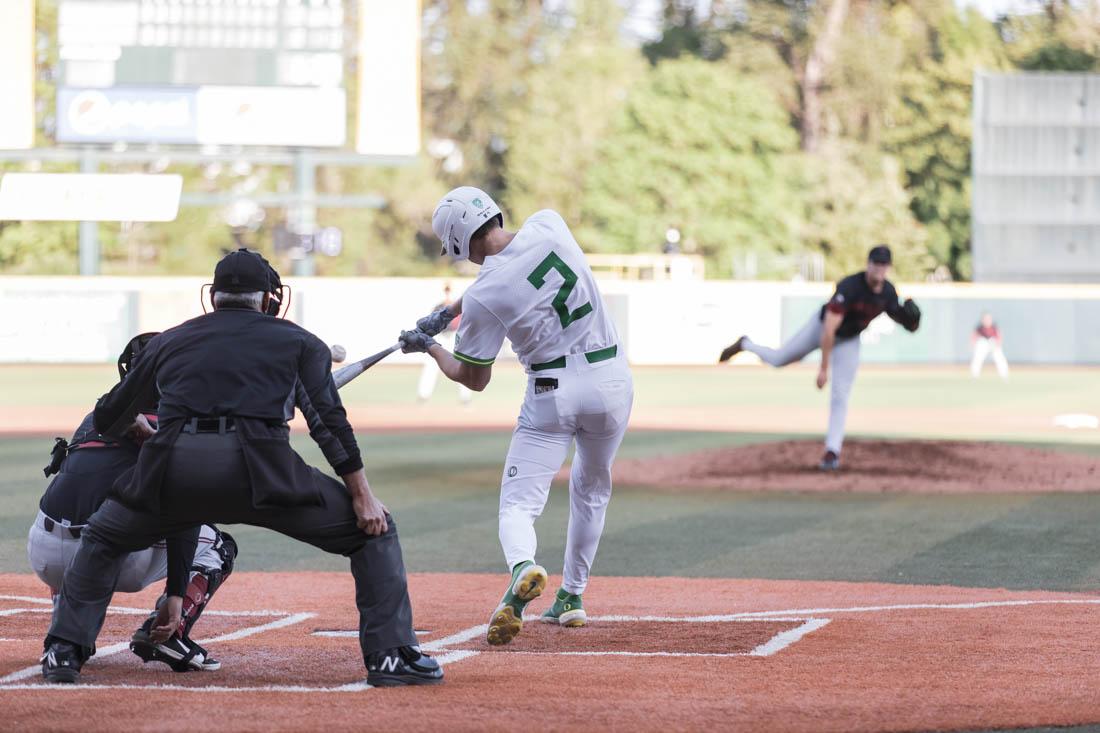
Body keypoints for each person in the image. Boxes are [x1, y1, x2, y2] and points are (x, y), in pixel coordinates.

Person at [40, 249, 442, 688]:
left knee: (102, 537)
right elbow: (329, 425)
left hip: (172, 471)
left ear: (213, 296)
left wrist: (144, 431)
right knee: (374, 535)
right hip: (263, 471)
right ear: (269, 298)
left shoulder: (169, 341)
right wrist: (363, 494)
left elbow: (108, 413)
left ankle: (64, 651)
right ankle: (390, 658)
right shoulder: (299, 341)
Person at [400, 187, 633, 646]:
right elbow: (516, 268)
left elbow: (473, 377)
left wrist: (429, 345)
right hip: (612, 382)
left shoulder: (485, 295)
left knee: (518, 505)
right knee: (591, 491)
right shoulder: (548, 223)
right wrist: (448, 311)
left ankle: (524, 567)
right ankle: (572, 597)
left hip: (552, 393)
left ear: (460, 239)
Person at [29, 333, 236, 672]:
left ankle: (63, 639)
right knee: (218, 545)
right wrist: (174, 592)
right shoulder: (180, 425)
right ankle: (171, 632)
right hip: (109, 557)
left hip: (43, 553)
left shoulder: (97, 414)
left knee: (85, 509)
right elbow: (184, 514)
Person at [718, 245, 921, 471]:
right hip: (822, 328)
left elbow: (904, 320)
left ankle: (832, 451)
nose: (879, 268)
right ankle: (746, 344)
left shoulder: (888, 292)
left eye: (883, 264)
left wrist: (912, 321)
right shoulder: (850, 286)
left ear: (889, 267)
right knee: (778, 359)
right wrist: (823, 369)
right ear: (868, 264)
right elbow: (828, 331)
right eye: (876, 263)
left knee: (841, 393)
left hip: (850, 339)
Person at [416, 283, 472, 405]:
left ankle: (465, 397)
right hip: (440, 337)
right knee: (431, 366)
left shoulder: (461, 306)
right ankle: (423, 395)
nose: (448, 293)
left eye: (449, 291)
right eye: (446, 291)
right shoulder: (438, 307)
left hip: (454, 337)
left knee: (462, 364)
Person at [970, 312, 1009, 380]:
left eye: (988, 318)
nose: (987, 320)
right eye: (985, 318)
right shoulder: (979, 327)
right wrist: (973, 343)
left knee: (1000, 358)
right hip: (983, 342)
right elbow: (974, 335)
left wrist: (998, 343)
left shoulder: (994, 326)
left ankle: (1004, 375)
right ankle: (974, 376)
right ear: (982, 320)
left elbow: (999, 335)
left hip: (992, 342)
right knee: (977, 359)